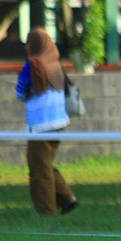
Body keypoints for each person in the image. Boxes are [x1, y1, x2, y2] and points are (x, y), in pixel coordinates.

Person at [15, 27, 78, 216]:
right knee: (44, 164)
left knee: (38, 170)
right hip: (59, 123)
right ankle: (67, 198)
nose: (26, 47)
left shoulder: (32, 65)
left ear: (34, 45)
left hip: (40, 124)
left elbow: (19, 93)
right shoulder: (56, 64)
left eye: (28, 43)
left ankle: (45, 212)